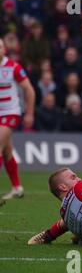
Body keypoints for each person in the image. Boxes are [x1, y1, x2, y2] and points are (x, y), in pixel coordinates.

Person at [0, 38, 36, 200]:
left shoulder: (13, 67)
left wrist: (29, 113)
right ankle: (17, 187)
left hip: (11, 113)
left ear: (4, 50)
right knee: (6, 149)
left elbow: (29, 90)